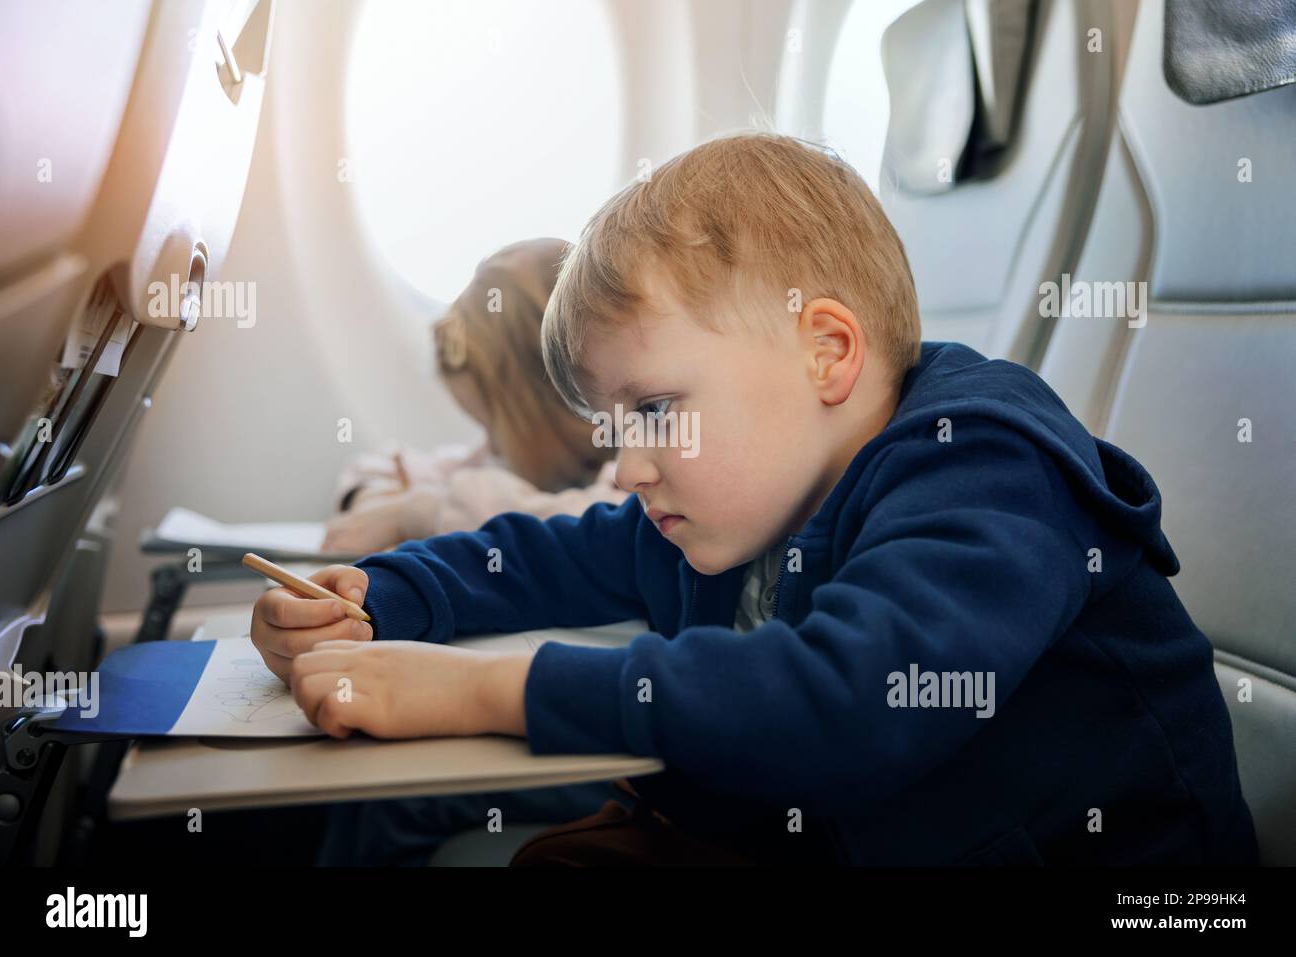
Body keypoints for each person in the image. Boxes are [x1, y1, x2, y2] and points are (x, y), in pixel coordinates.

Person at [253, 132, 1258, 865]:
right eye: (617, 425)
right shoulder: (733, 502)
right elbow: (548, 557)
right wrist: (378, 595)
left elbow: (846, 703)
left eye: (655, 409)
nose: (631, 464)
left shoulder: (985, 472)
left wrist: (479, 687)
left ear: (823, 353)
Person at [321, 237, 626, 555]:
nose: (488, 445)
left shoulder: (629, 471)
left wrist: (418, 514)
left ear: (550, 404)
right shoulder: (506, 461)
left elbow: (590, 524)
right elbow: (377, 467)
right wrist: (372, 501)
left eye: (494, 427)